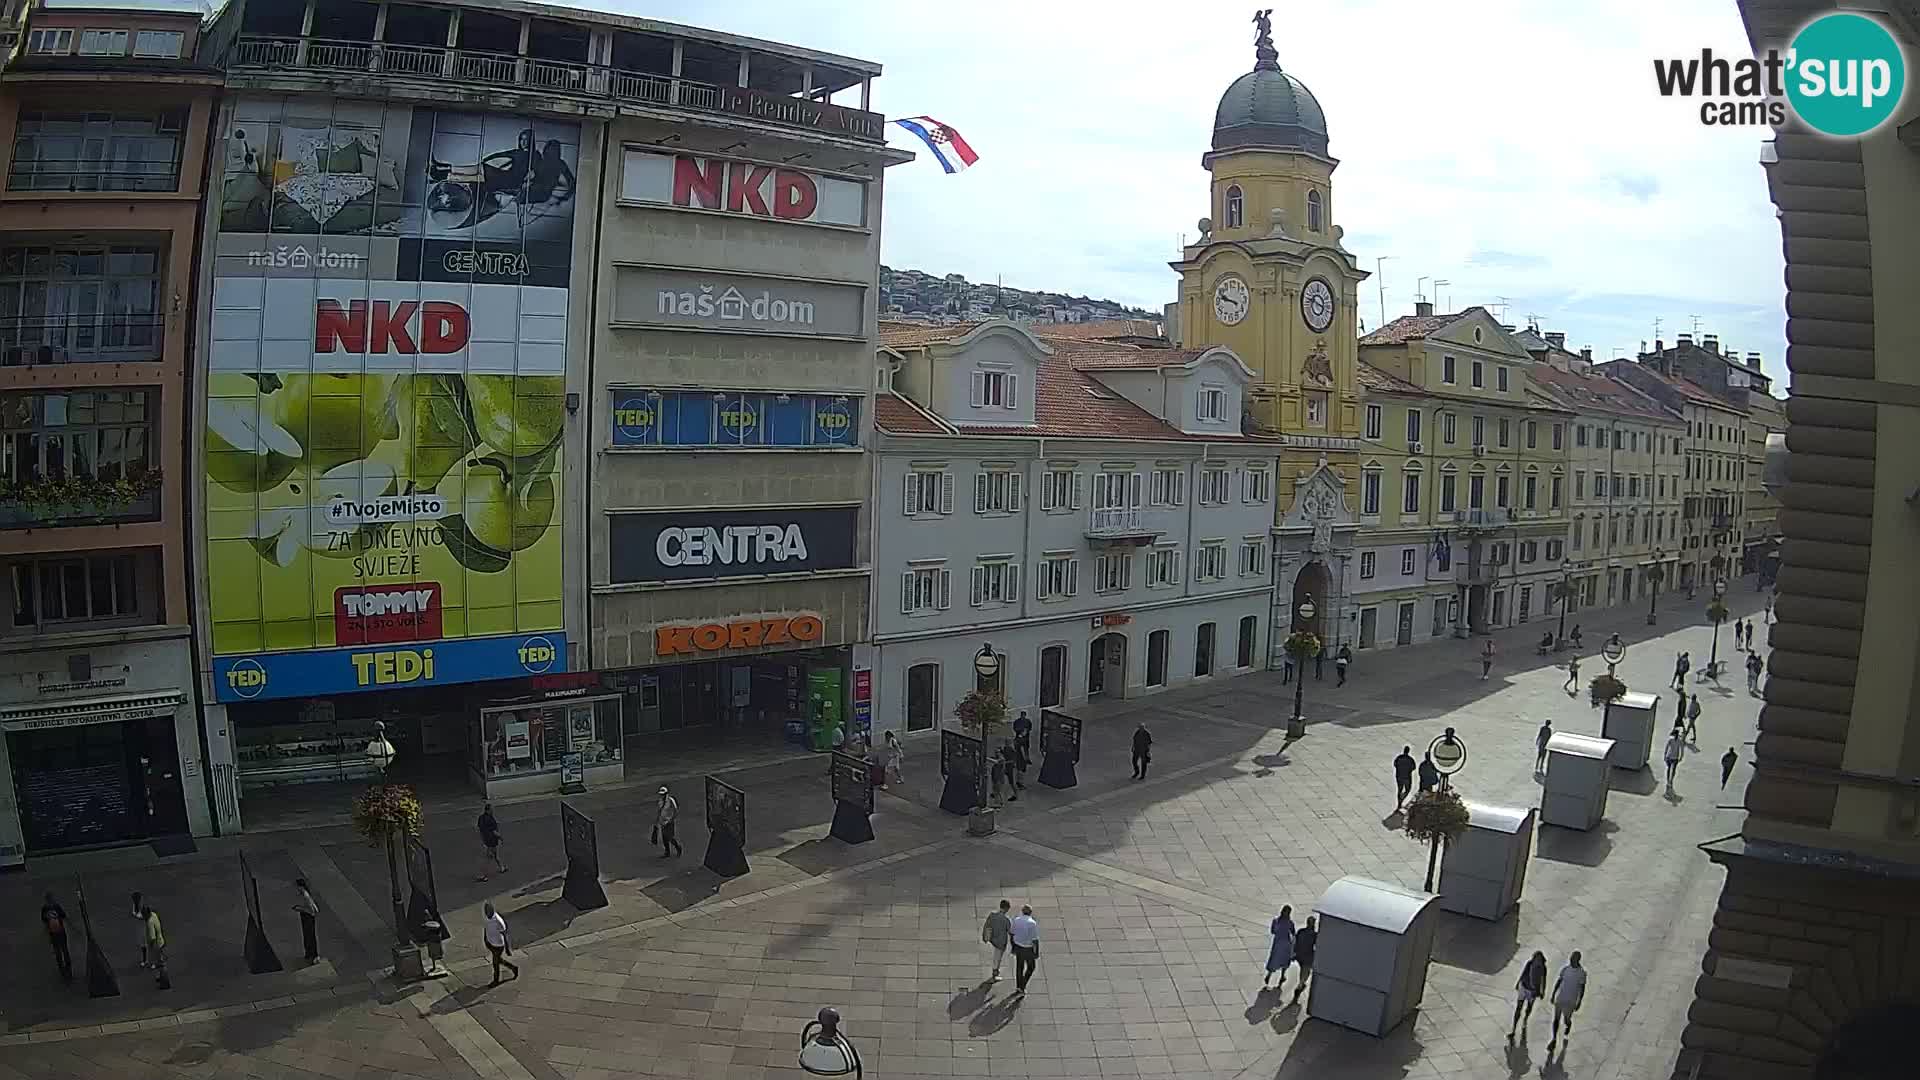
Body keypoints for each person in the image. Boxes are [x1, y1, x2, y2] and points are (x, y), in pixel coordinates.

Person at [1548, 950, 1587, 1054]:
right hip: (1561, 998)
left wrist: (1579, 1002)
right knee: (1556, 1019)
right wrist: (1553, 994)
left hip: (1571, 1001)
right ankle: (1554, 1039)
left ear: (1577, 959)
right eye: (1570, 957)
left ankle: (1568, 1025)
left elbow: (1582, 989)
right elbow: (1559, 981)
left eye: (1573, 958)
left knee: (1566, 1019)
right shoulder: (1565, 969)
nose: (1570, 959)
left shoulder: (1581, 973)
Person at [1512, 949, 1549, 1040]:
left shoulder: (1543, 968)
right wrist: (1518, 983)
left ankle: (1525, 1018)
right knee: (1518, 1007)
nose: (1537, 961)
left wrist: (1542, 991)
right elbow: (1523, 973)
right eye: (1536, 958)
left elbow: (1543, 980)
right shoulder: (1529, 963)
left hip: (1533, 991)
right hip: (1524, 987)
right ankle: (1513, 1029)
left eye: (1539, 959)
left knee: (1529, 1007)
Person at [482, 901, 519, 986]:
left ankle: (496, 981)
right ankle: (513, 968)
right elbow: (486, 928)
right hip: (490, 943)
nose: (486, 913)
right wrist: (485, 939)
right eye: (485, 911)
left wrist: (507, 948)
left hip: (498, 945)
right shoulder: (487, 917)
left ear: (492, 910)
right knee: (498, 960)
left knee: (495, 963)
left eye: (488, 911)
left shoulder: (498, 921)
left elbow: (504, 933)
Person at [1263, 905, 1296, 991]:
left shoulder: (1276, 921)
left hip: (1277, 943)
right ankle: (1282, 976)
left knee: (1274, 959)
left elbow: (1273, 931)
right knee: (1284, 960)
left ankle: (1269, 975)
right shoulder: (1290, 923)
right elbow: (1293, 933)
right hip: (1286, 943)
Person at [1009, 905, 1040, 993]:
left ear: (1022, 911)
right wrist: (1036, 952)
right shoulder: (1032, 923)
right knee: (1031, 967)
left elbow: (1011, 934)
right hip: (1028, 948)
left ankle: (1019, 986)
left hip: (1018, 946)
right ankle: (1023, 985)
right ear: (1030, 913)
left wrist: (1013, 947)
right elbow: (1035, 939)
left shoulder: (1016, 920)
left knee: (1019, 967)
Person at [41, 891, 71, 982]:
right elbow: (45, 921)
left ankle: (67, 969)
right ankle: (63, 970)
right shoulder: (46, 909)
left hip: (59, 932)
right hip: (55, 933)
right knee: (59, 951)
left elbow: (63, 917)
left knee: (63, 951)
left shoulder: (55, 907)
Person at [982, 900, 1012, 981]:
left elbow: (987, 925)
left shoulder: (992, 915)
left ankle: (995, 973)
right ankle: (994, 975)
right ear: (1006, 908)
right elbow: (1010, 931)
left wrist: (985, 937)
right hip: (1001, 942)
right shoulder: (1006, 919)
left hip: (993, 939)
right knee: (997, 958)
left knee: (996, 956)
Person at [1290, 916, 1317, 1004]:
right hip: (1308, 957)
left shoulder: (1301, 931)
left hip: (1299, 956)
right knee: (1305, 974)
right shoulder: (1314, 935)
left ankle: (1300, 986)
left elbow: (1295, 943)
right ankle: (1299, 988)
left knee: (1304, 972)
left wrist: (1294, 953)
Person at [293, 878, 321, 963]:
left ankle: (314, 955)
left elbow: (314, 909)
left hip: (308, 917)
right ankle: (309, 953)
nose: (297, 888)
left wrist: (300, 908)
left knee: (310, 936)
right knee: (307, 936)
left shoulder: (306, 895)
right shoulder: (303, 894)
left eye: (298, 887)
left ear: (301, 887)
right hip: (305, 916)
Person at [477, 802, 506, 879]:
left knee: (495, 855)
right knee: (489, 857)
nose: (492, 811)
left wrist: (483, 838)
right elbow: (494, 831)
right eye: (491, 810)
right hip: (492, 840)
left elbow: (480, 829)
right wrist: (500, 837)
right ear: (488, 810)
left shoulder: (481, 818)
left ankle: (502, 867)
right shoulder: (490, 819)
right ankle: (483, 875)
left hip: (486, 839)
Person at [143, 903, 168, 988]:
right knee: (160, 960)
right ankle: (160, 975)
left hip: (156, 945)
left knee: (159, 962)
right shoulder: (154, 914)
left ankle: (163, 977)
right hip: (161, 941)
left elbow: (152, 938)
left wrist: (151, 948)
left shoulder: (149, 922)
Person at [654, 786, 682, 857]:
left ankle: (678, 847)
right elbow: (659, 811)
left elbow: (675, 810)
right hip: (662, 822)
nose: (661, 796)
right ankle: (667, 852)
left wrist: (671, 819)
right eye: (661, 794)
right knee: (664, 838)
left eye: (663, 794)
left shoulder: (671, 800)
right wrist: (657, 822)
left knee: (670, 837)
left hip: (669, 822)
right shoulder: (660, 801)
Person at [1012, 710, 1033, 778]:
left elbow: (1030, 728)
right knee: (1019, 750)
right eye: (1022, 715)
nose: (1023, 716)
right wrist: (1021, 731)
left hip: (1024, 738)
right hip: (1020, 738)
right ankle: (1020, 761)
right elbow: (1015, 728)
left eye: (1024, 715)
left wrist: (1025, 731)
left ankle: (1027, 759)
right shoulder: (1019, 721)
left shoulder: (1026, 721)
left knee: (1026, 749)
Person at [131, 890, 149, 969]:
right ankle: (145, 960)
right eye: (141, 899)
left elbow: (145, 917)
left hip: (146, 927)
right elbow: (134, 914)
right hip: (141, 928)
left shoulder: (143, 908)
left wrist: (141, 916)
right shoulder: (135, 907)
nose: (142, 900)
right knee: (143, 945)